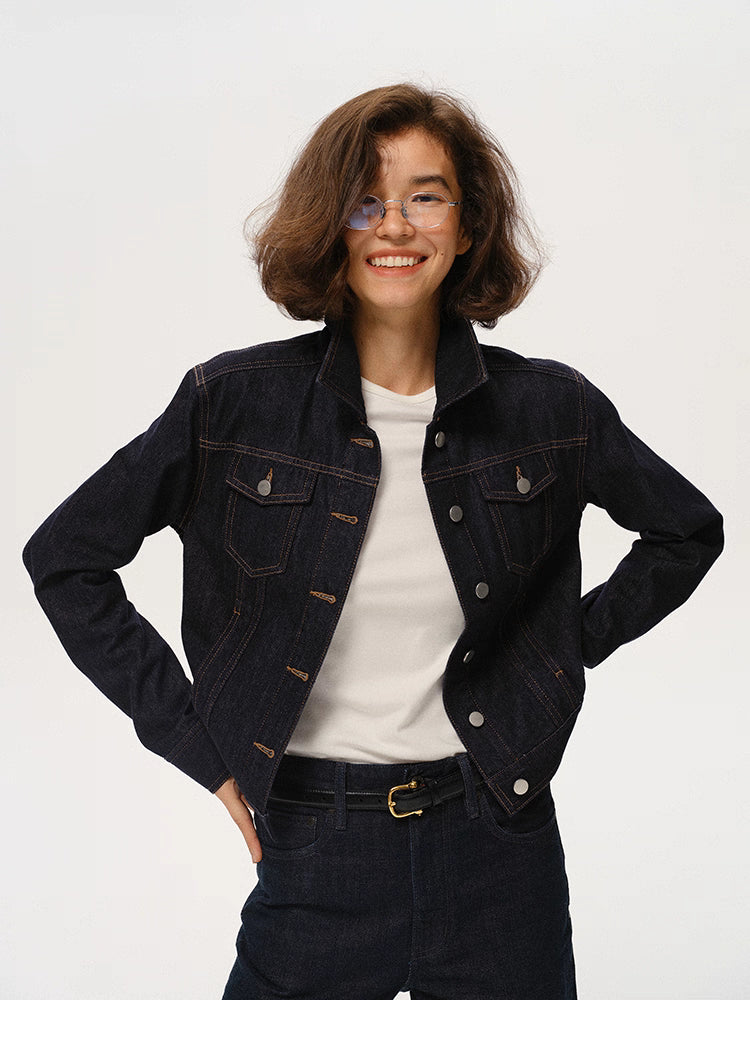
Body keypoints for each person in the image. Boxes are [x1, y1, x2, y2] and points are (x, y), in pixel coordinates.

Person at [22, 84, 724, 1000]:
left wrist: (557, 648)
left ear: (467, 227)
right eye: (365, 201)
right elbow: (66, 559)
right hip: (313, 845)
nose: (394, 225)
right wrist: (201, 748)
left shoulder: (550, 410)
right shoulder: (231, 405)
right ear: (331, 226)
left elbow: (685, 530)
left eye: (426, 196)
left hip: (499, 846)